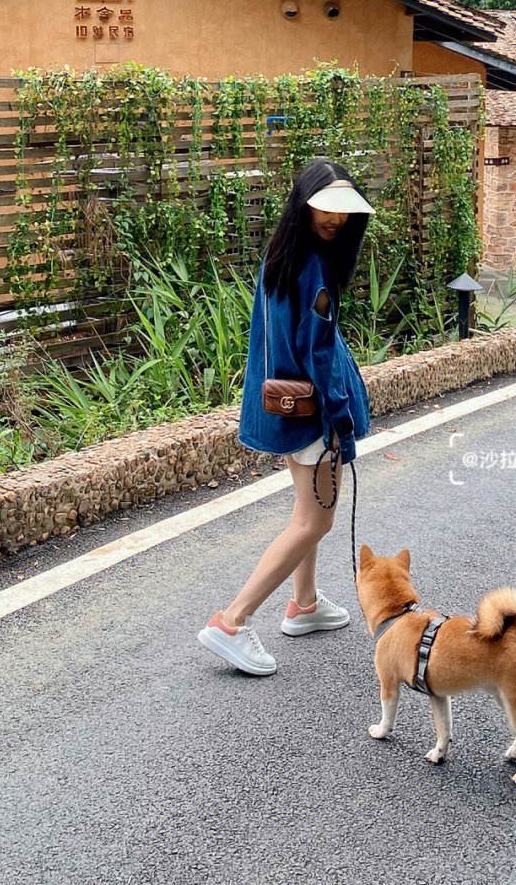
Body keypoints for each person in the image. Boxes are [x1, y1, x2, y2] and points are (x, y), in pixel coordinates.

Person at [197, 158, 374, 676]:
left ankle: (305, 604)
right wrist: (339, 418)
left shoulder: (283, 255)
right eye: (326, 208)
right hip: (313, 410)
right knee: (315, 518)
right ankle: (232, 620)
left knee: (304, 513)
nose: (336, 220)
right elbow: (318, 353)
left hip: (283, 403)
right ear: (304, 203)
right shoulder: (315, 267)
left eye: (344, 212)